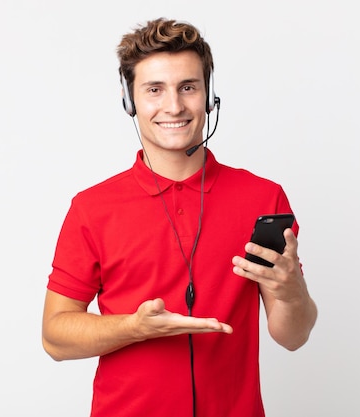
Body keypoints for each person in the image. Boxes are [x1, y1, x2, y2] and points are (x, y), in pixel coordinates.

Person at [42, 17, 317, 417]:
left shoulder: (263, 197)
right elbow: (55, 337)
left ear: (208, 96)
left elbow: (293, 336)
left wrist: (292, 292)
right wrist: (133, 328)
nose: (174, 105)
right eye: (154, 90)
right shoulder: (91, 208)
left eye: (188, 87)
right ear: (129, 100)